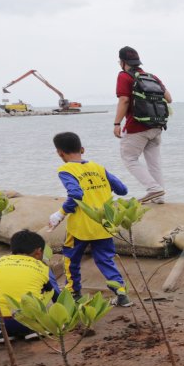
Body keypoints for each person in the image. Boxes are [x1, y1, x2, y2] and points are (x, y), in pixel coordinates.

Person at [47, 131, 132, 307]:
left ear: (59, 152)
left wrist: (60, 214)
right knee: (105, 260)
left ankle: (73, 293)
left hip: (80, 226)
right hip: (103, 224)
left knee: (71, 259)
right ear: (82, 149)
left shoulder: (65, 169)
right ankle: (121, 293)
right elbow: (122, 190)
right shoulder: (98, 167)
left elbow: (76, 193)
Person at [0, 229, 59, 343]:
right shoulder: (43, 268)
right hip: (29, 320)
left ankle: (0, 332)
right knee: (40, 288)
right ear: (39, 252)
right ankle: (35, 329)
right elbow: (57, 296)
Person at [114, 46, 171, 204]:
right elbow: (169, 98)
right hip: (156, 127)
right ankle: (159, 197)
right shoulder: (151, 76)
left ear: (122, 62)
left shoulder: (124, 76)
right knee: (154, 162)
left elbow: (124, 100)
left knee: (129, 158)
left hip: (137, 127)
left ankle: (153, 189)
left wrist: (117, 123)